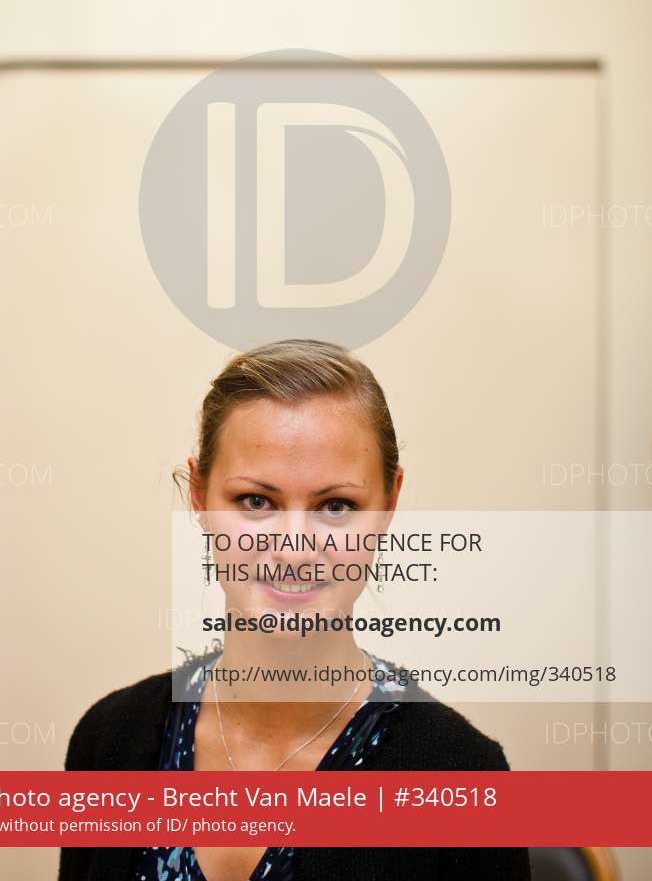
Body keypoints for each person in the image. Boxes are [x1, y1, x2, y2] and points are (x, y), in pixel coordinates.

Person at [60, 339, 531, 881]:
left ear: (389, 503)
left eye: (336, 506)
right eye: (256, 501)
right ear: (200, 495)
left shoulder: (462, 774)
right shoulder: (110, 741)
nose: (294, 550)